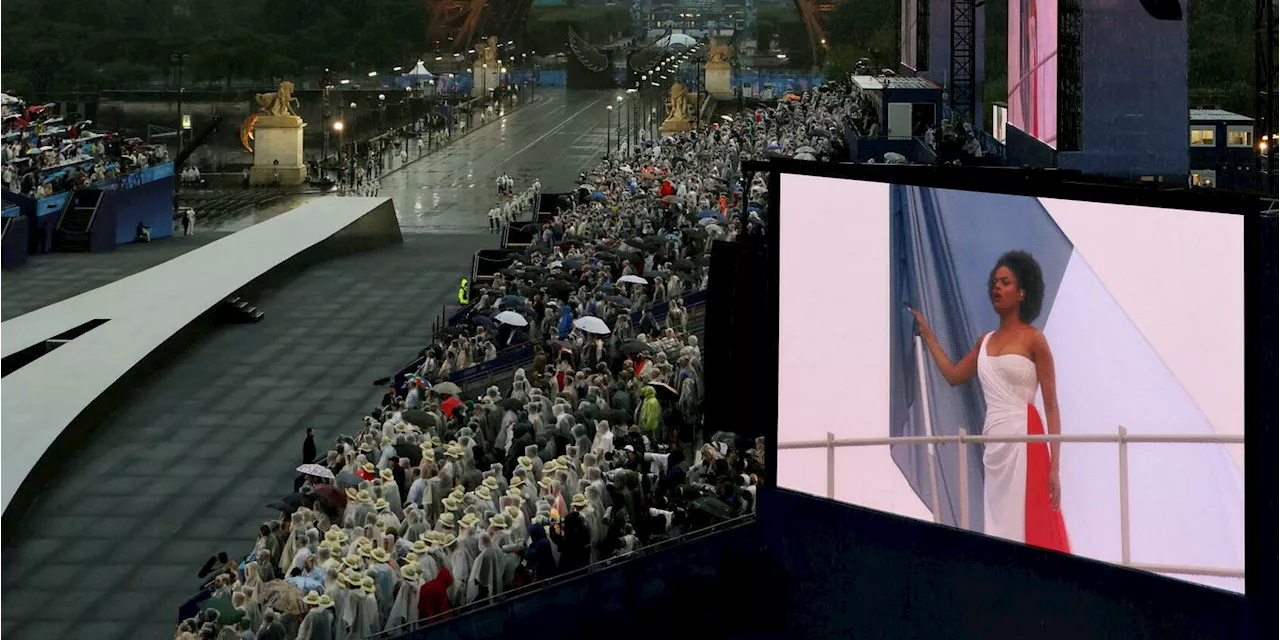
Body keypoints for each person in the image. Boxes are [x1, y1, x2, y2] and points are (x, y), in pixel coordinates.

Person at [908, 250, 1070, 553]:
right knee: (999, 529)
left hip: (1027, 439)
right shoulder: (985, 340)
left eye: (1005, 282)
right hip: (993, 441)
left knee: (1030, 526)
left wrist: (1055, 468)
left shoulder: (1035, 340)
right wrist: (929, 335)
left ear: (1022, 292)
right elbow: (955, 374)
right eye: (994, 282)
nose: (996, 287)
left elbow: (1051, 405)